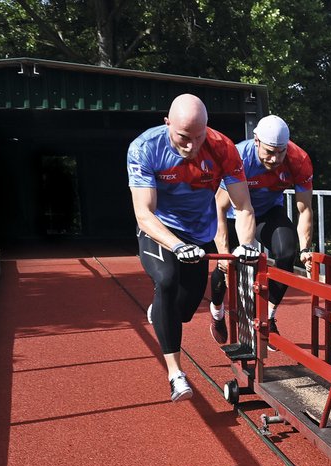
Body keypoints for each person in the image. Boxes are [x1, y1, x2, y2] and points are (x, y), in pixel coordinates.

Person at [128, 93, 259, 402]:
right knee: (167, 280)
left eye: (197, 137)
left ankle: (162, 310)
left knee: (184, 311)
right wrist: (175, 245)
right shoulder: (145, 147)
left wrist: (248, 243)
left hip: (198, 233)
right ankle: (176, 374)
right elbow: (144, 212)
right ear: (167, 123)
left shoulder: (223, 148)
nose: (190, 146)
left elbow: (243, 207)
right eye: (183, 137)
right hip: (161, 229)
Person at [210, 115, 315, 345]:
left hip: (266, 212)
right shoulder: (238, 157)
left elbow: (305, 209)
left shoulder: (299, 160)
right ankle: (217, 313)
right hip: (231, 213)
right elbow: (219, 205)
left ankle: (268, 318)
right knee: (225, 264)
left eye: (281, 152)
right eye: (269, 151)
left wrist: (306, 249)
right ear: (256, 141)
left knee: (287, 253)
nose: (275, 159)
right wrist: (223, 253)